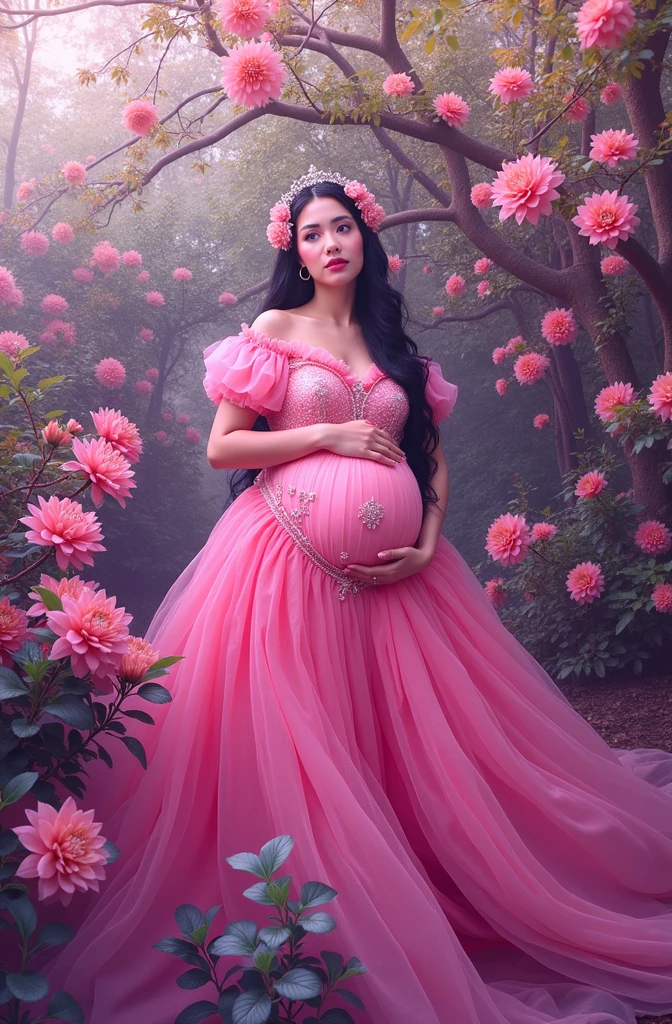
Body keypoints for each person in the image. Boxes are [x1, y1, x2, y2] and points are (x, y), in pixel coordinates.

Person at [42, 167, 672, 1024]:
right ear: (294, 250)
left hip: (404, 586)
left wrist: (426, 543)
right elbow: (226, 449)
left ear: (363, 238)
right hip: (280, 572)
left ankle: (443, 891)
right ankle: (324, 926)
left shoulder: (398, 349)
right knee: (305, 751)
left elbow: (433, 458)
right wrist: (330, 432)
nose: (329, 243)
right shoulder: (272, 330)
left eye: (341, 227)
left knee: (419, 754)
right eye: (312, 233)